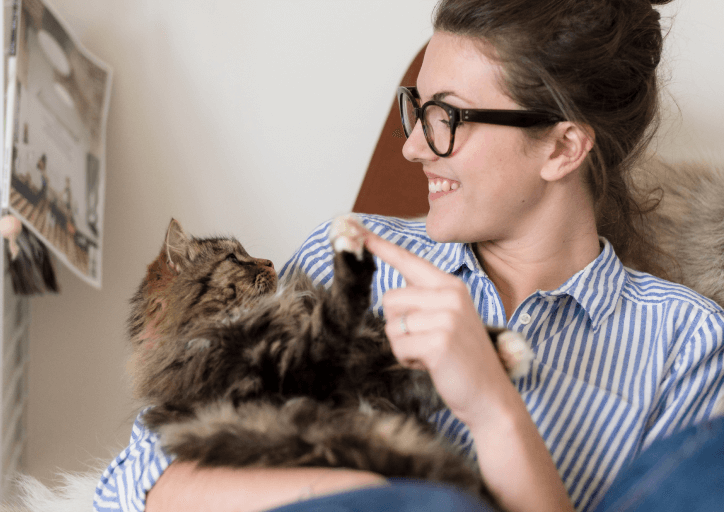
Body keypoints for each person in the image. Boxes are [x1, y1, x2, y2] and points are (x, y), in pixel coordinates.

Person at [93, 0, 724, 511]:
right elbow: (138, 480)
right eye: (416, 109)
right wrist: (375, 497)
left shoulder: (685, 340)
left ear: (562, 149)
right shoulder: (350, 256)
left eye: (447, 116)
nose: (415, 147)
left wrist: (491, 406)